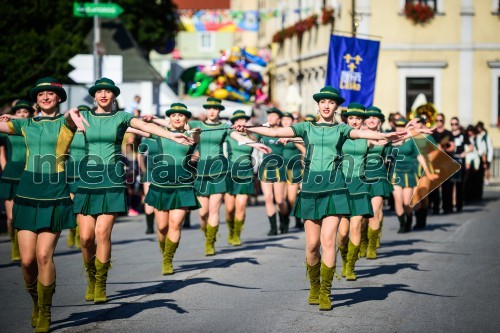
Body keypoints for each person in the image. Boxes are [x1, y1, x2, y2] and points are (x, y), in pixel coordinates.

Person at [233, 86, 404, 311]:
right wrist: (249, 127)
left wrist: (383, 135)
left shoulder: (342, 129)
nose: (326, 105)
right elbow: (275, 133)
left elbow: (362, 133)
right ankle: (314, 286)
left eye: (331, 102)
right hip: (311, 187)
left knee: (328, 240)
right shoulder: (306, 127)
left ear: (336, 106)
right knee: (312, 245)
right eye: (323, 101)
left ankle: (326, 292)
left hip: (335, 186)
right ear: (318, 104)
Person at [73, 78, 194, 304]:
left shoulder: (122, 117)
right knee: (85, 237)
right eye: (99, 91)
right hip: (87, 179)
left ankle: (100, 282)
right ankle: (90, 277)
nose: (103, 94)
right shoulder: (83, 117)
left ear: (114, 96)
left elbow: (147, 127)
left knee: (102, 234)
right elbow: (46, 124)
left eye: (108, 91)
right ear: (94, 95)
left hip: (111, 178)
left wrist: (171, 134)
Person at [0, 77, 87, 332]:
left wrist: (74, 113)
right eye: (41, 95)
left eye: (51, 94)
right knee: (26, 262)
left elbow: (74, 116)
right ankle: (36, 302)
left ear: (59, 98)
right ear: (36, 100)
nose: (45, 97)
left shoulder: (65, 122)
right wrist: (5, 115)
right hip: (27, 193)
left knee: (42, 255)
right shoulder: (25, 124)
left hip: (55, 193)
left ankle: (46, 311)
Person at [189, 97, 270, 256]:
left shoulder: (225, 127)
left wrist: (255, 144)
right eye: (209, 108)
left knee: (216, 209)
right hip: (202, 171)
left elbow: (240, 139)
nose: (212, 111)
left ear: (219, 111)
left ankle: (212, 242)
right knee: (202, 213)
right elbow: (171, 124)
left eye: (215, 108)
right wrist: (151, 120)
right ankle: (208, 234)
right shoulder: (195, 125)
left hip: (220, 171)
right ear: (206, 110)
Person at [144, 103, 201, 275]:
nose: (177, 117)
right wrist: (148, 119)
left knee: (175, 224)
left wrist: (195, 133)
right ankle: (164, 252)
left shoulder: (192, 135)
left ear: (186, 118)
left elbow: (196, 138)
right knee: (161, 227)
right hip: (161, 184)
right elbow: (139, 127)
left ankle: (168, 260)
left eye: (181, 115)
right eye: (173, 115)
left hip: (182, 184)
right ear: (169, 118)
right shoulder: (160, 134)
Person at [337, 103, 374, 281]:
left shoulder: (367, 136)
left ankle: (351, 266)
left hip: (360, 184)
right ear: (347, 119)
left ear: (362, 120)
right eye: (351, 118)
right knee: (342, 233)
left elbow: (389, 137)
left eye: (358, 118)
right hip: (341, 185)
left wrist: (409, 130)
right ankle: (344, 260)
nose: (354, 121)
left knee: (355, 226)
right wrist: (290, 139)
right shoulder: (340, 133)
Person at [0, 100, 34, 261]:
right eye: (19, 111)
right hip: (11, 174)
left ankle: (25, 246)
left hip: (28, 174)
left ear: (29, 114)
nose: (22, 114)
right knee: (11, 217)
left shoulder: (32, 129)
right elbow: (1, 153)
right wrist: (5, 168)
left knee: (26, 215)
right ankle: (14, 243)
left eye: (25, 112)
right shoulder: (6, 130)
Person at [390, 117, 437, 233]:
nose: (399, 128)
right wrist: (406, 128)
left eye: (418, 122)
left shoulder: (419, 138)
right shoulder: (395, 138)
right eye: (398, 126)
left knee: (419, 198)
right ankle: (403, 224)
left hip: (416, 171)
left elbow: (431, 152)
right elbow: (396, 142)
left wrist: (430, 169)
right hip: (400, 172)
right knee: (399, 198)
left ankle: (419, 220)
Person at [252, 107, 289, 235]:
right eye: (269, 116)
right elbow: (251, 137)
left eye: (273, 116)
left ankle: (285, 219)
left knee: (279, 200)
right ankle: (273, 227)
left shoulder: (284, 131)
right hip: (265, 167)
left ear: (279, 119)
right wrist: (245, 128)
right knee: (268, 197)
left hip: (279, 167)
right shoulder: (263, 131)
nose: (270, 118)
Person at [361, 106, 393, 258]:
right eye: (369, 117)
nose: (372, 119)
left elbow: (390, 157)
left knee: (374, 212)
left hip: (379, 176)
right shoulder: (357, 135)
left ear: (379, 120)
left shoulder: (385, 137)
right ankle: (362, 241)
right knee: (361, 216)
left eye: (375, 117)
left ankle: (372, 247)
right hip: (360, 176)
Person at [224, 110, 257, 246]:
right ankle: (231, 230)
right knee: (229, 209)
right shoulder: (228, 135)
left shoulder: (252, 136)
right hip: (230, 173)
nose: (241, 122)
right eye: (238, 120)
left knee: (241, 206)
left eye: (243, 119)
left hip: (246, 174)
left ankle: (237, 234)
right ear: (233, 123)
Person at [65, 105, 91, 249]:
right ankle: (72, 229)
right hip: (71, 169)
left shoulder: (91, 131)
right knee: (72, 204)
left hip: (86, 170)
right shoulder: (70, 130)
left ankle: (79, 233)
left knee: (81, 205)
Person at [279, 112, 306, 230]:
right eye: (283, 119)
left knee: (291, 199)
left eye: (288, 119)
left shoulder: (294, 135)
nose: (285, 121)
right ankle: (283, 222)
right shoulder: (277, 133)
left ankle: (296, 219)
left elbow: (304, 150)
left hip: (294, 169)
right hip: (280, 169)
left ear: (292, 121)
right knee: (280, 199)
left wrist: (303, 162)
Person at [442, 117, 471, 213]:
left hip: (459, 160)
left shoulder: (463, 135)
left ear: (458, 124)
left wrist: (464, 153)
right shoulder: (448, 135)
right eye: (452, 124)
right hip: (450, 160)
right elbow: (443, 145)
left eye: (455, 124)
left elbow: (471, 146)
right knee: (449, 185)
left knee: (459, 185)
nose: (453, 126)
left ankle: (459, 206)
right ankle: (448, 207)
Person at [430, 113, 454, 214]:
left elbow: (452, 147)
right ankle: (435, 208)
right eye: (437, 120)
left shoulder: (448, 133)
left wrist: (443, 148)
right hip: (435, 161)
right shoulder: (432, 133)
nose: (439, 122)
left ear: (443, 121)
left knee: (447, 186)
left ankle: (447, 207)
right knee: (435, 185)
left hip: (446, 161)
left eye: (441, 121)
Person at [138, 130, 160, 234]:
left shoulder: (166, 137)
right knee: (149, 198)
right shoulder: (146, 139)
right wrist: (143, 170)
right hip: (151, 172)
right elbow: (140, 155)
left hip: (164, 173)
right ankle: (150, 227)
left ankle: (156, 225)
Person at [476, 121, 493, 187]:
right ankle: (481, 180)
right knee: (481, 169)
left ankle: (487, 179)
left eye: (480, 127)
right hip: (479, 154)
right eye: (478, 127)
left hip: (485, 154)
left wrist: (489, 158)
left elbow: (489, 147)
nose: (479, 129)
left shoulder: (486, 136)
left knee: (486, 168)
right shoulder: (477, 136)